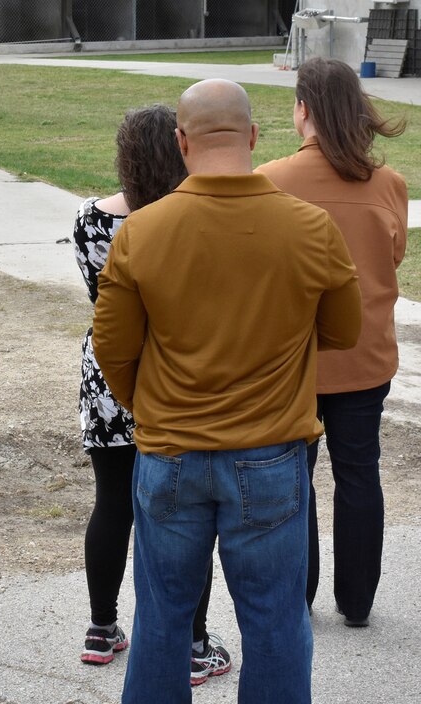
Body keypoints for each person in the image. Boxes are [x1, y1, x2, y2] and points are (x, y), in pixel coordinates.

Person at [92, 79, 362, 703]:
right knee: (274, 620)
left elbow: (113, 347)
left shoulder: (142, 232)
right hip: (270, 451)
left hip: (169, 453)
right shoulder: (310, 227)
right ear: (252, 137)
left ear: (182, 142)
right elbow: (344, 332)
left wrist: (148, 408)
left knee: (160, 620)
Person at [73, 104, 229, 685]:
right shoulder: (195, 217)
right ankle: (193, 639)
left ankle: (101, 626)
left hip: (110, 375)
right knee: (185, 515)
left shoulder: (91, 219)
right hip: (176, 376)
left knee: (112, 501)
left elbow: (100, 298)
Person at [256, 57, 408, 628]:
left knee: (297, 475)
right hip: (365, 356)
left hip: (294, 359)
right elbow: (390, 259)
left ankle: (302, 590)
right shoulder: (389, 185)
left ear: (304, 110)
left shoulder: (270, 180)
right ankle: (358, 601)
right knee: (359, 471)